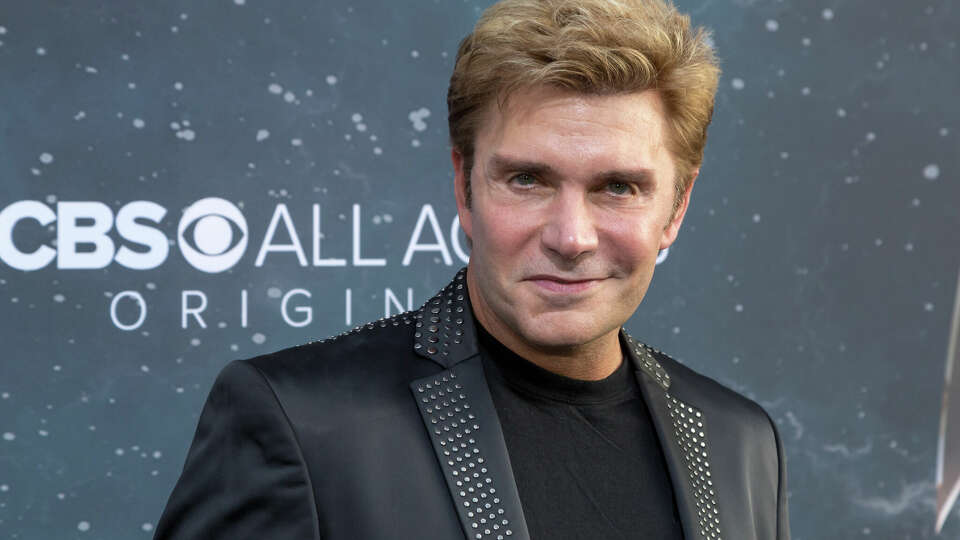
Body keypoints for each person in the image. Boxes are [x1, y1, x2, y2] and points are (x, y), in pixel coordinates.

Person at [154, 0, 790, 538]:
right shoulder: (300, 420)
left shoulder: (740, 441)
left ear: (676, 207)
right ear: (464, 186)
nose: (571, 237)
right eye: (527, 179)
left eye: (618, 187)